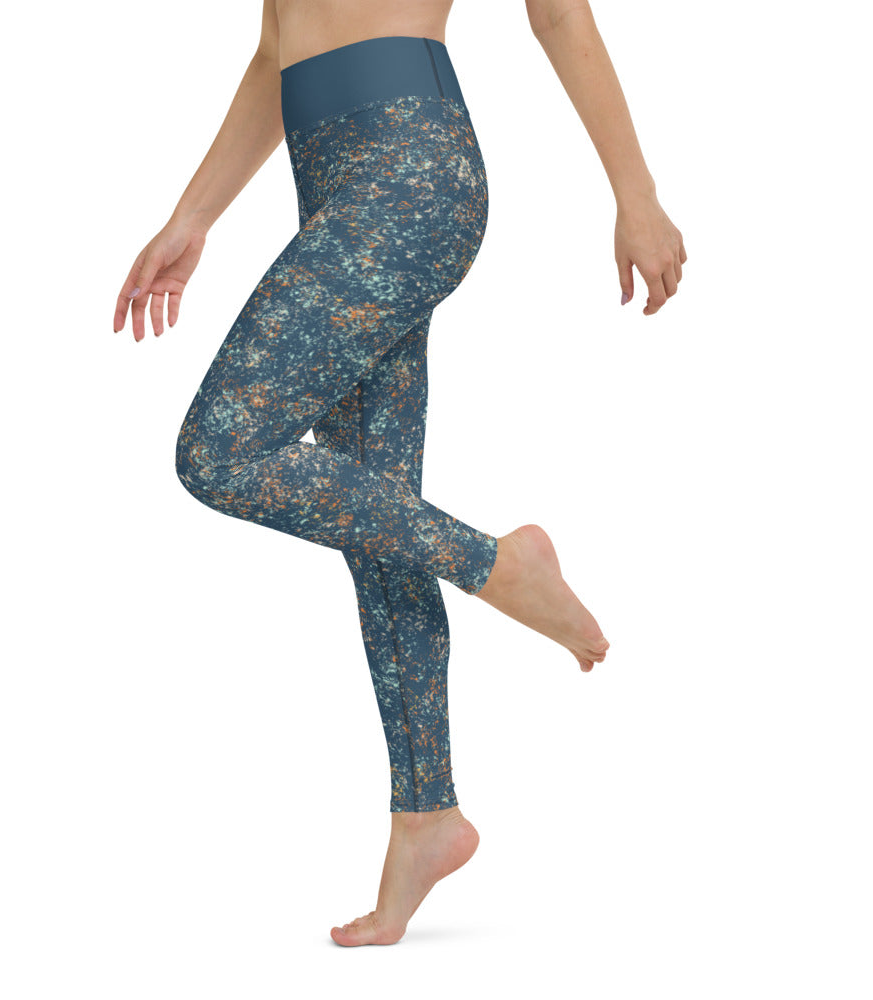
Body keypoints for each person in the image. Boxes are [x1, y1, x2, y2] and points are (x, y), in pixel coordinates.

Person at [112, 0, 686, 948]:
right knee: (372, 514)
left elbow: (558, 14)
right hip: (329, 173)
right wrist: (194, 216)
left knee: (220, 450)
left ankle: (498, 566)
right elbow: (275, 47)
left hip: (410, 170)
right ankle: (428, 814)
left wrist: (637, 193)